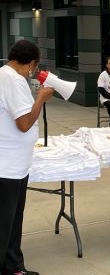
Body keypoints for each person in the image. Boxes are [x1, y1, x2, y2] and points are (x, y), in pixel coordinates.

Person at [0, 40, 54, 275]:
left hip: (16, 165)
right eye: (34, 67)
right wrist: (40, 98)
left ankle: (14, 267)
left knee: (12, 224)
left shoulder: (6, 75)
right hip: (7, 166)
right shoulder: (12, 80)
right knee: (4, 226)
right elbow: (23, 123)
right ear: (31, 63)